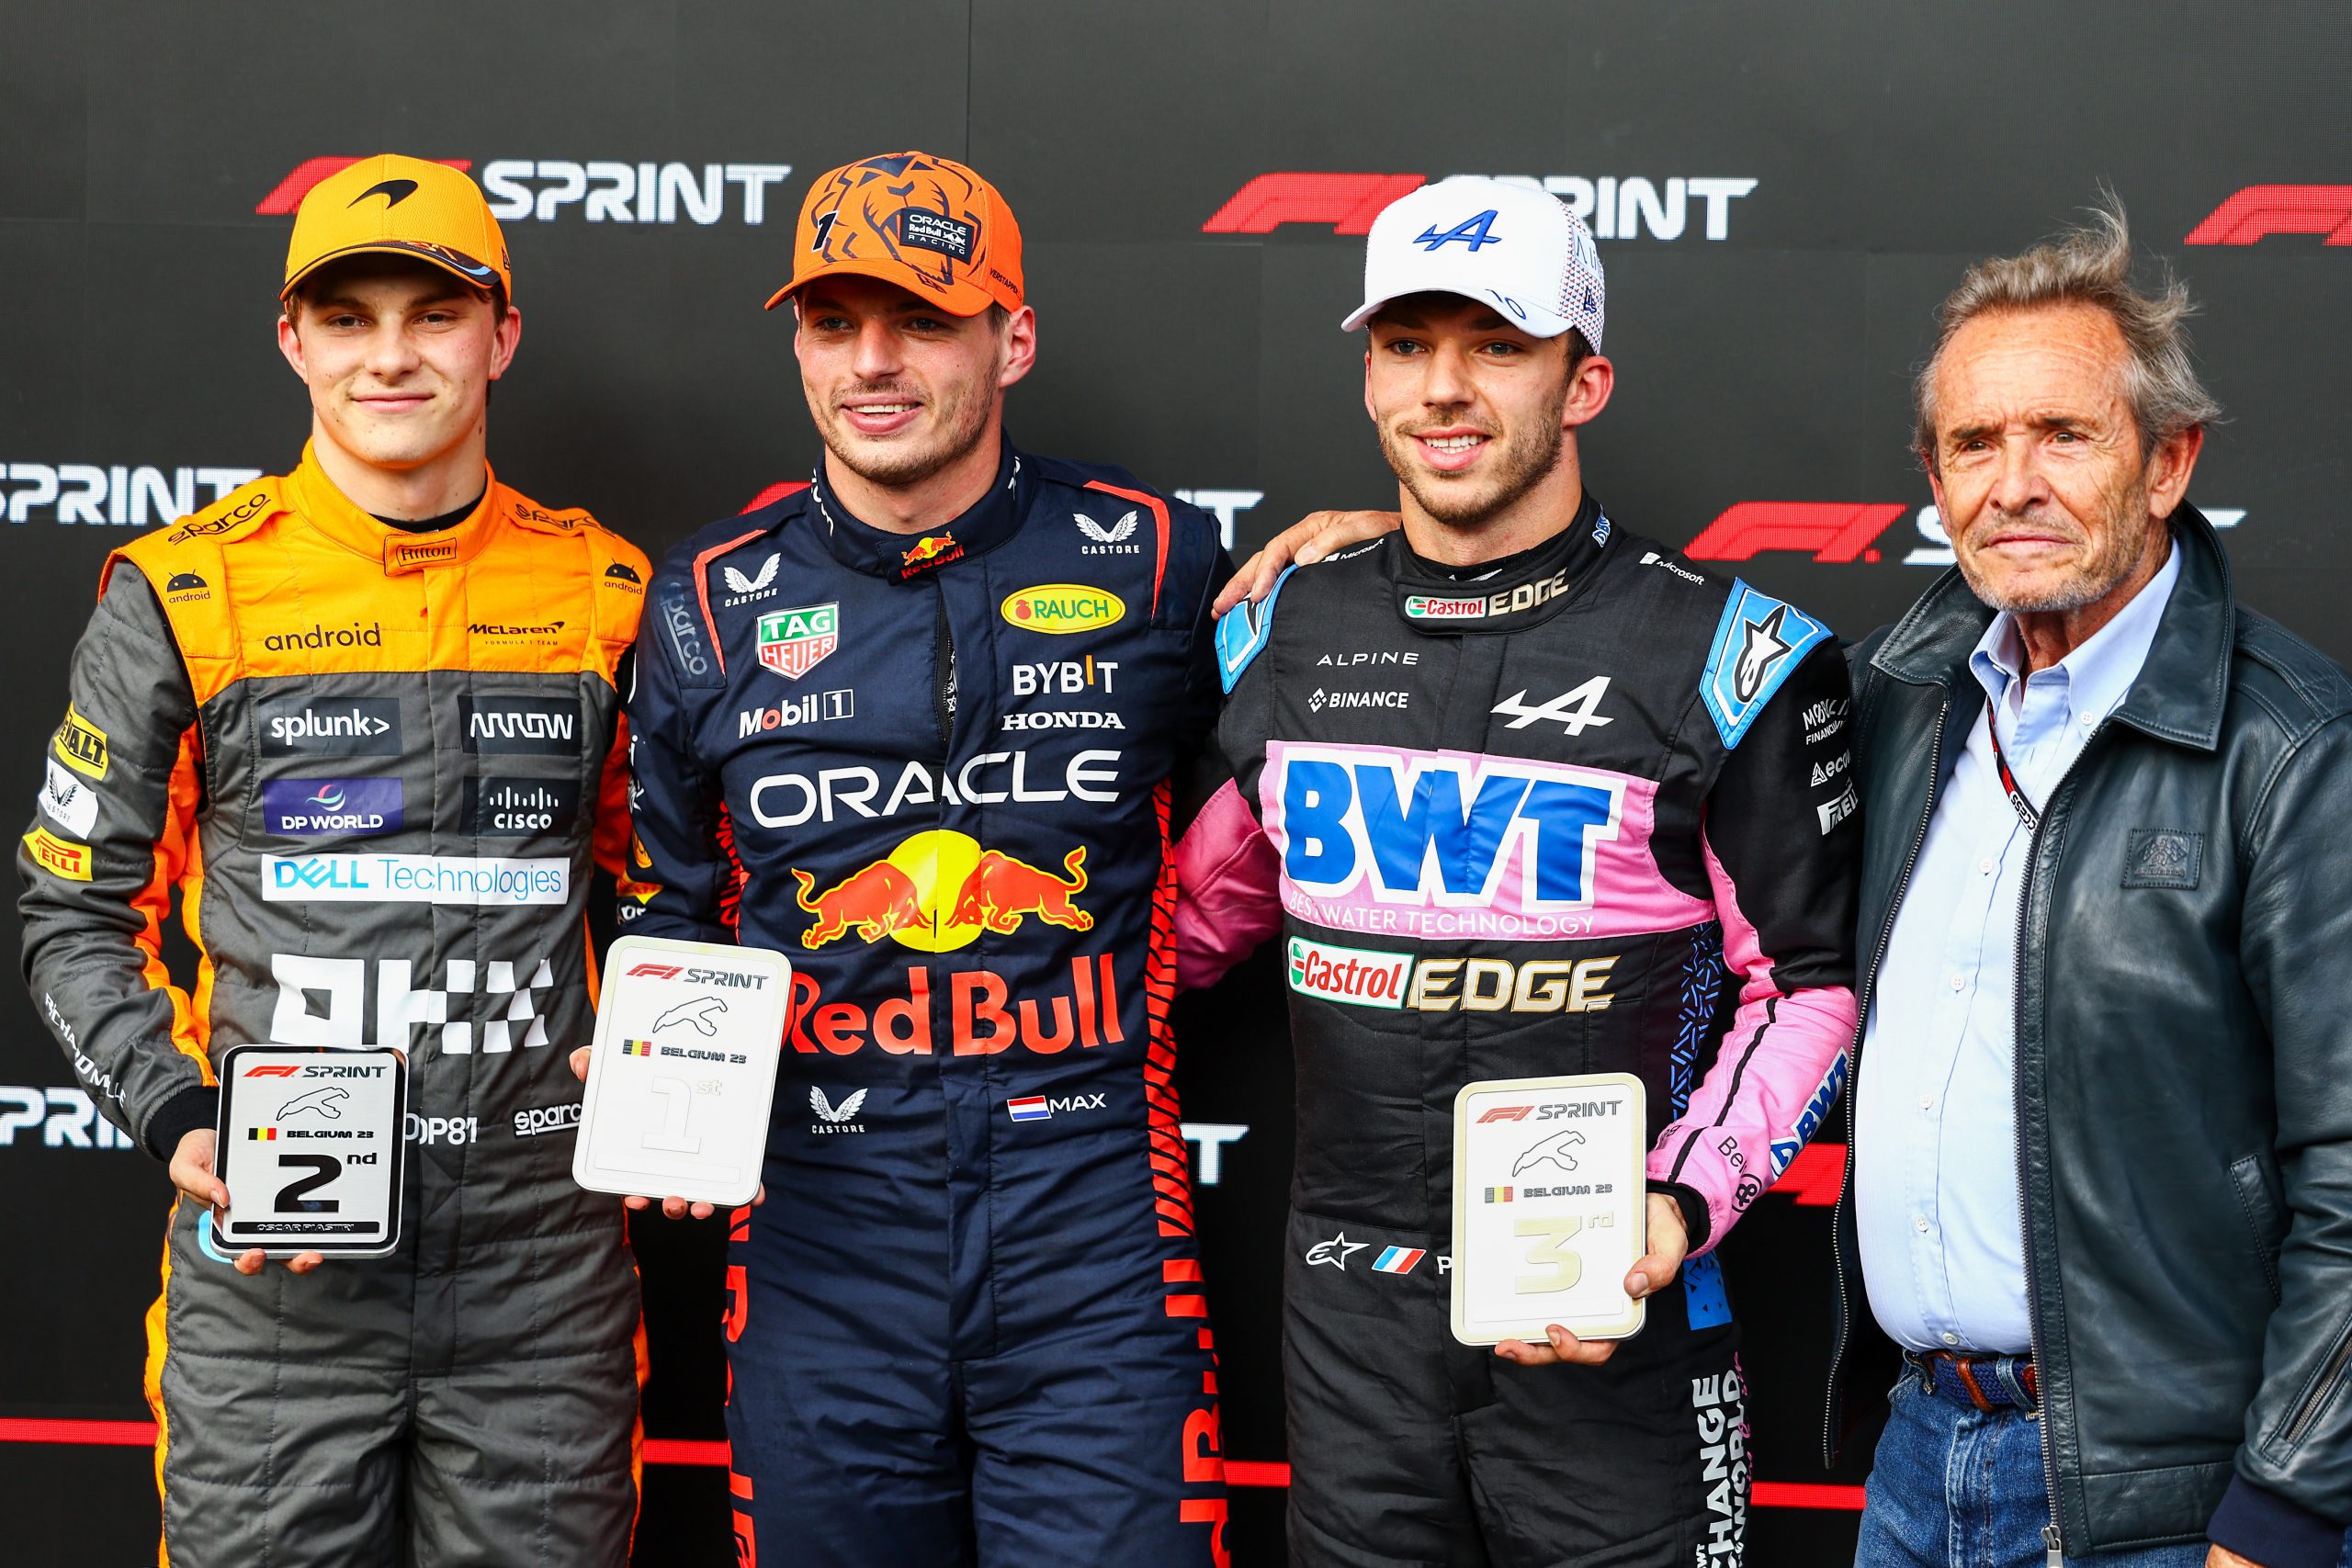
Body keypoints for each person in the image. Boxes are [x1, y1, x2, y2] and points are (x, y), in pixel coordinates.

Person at [1172, 174, 1863, 1567]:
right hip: (1351, 1331)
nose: (1445, 388)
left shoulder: (1733, 658)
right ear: (1368, 374)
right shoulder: (1282, 630)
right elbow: (1185, 927)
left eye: (1497, 346)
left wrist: (1678, 1204)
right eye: (1409, 345)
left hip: (1613, 1312)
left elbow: (1807, 987)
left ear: (1584, 379)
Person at [17, 155, 649, 1565]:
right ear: (293, 339)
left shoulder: (606, 590)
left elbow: (681, 885)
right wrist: (182, 1114)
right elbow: (72, 912)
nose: (392, 354)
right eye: (349, 318)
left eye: (433, 312)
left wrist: (672, 1048)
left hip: (540, 1271)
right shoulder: (187, 589)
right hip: (279, 1284)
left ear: (503, 332)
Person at [618, 151, 1233, 1568]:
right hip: (825, 1247)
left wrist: (1376, 537)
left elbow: (1294, 750)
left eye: (922, 320)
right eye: (832, 325)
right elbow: (672, 900)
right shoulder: (710, 597)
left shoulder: (1159, 560)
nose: (873, 364)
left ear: (1012, 338)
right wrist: (653, 1054)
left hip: (1097, 1246)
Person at [1828, 202, 2352, 1568]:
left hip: (2167, 1507)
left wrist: (2285, 1509)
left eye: (2065, 435)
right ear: (1933, 486)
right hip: (1914, 1459)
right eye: (1974, 445)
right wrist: (1400, 537)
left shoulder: (2293, 749)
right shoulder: (1896, 699)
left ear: (2168, 462)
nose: (2015, 484)